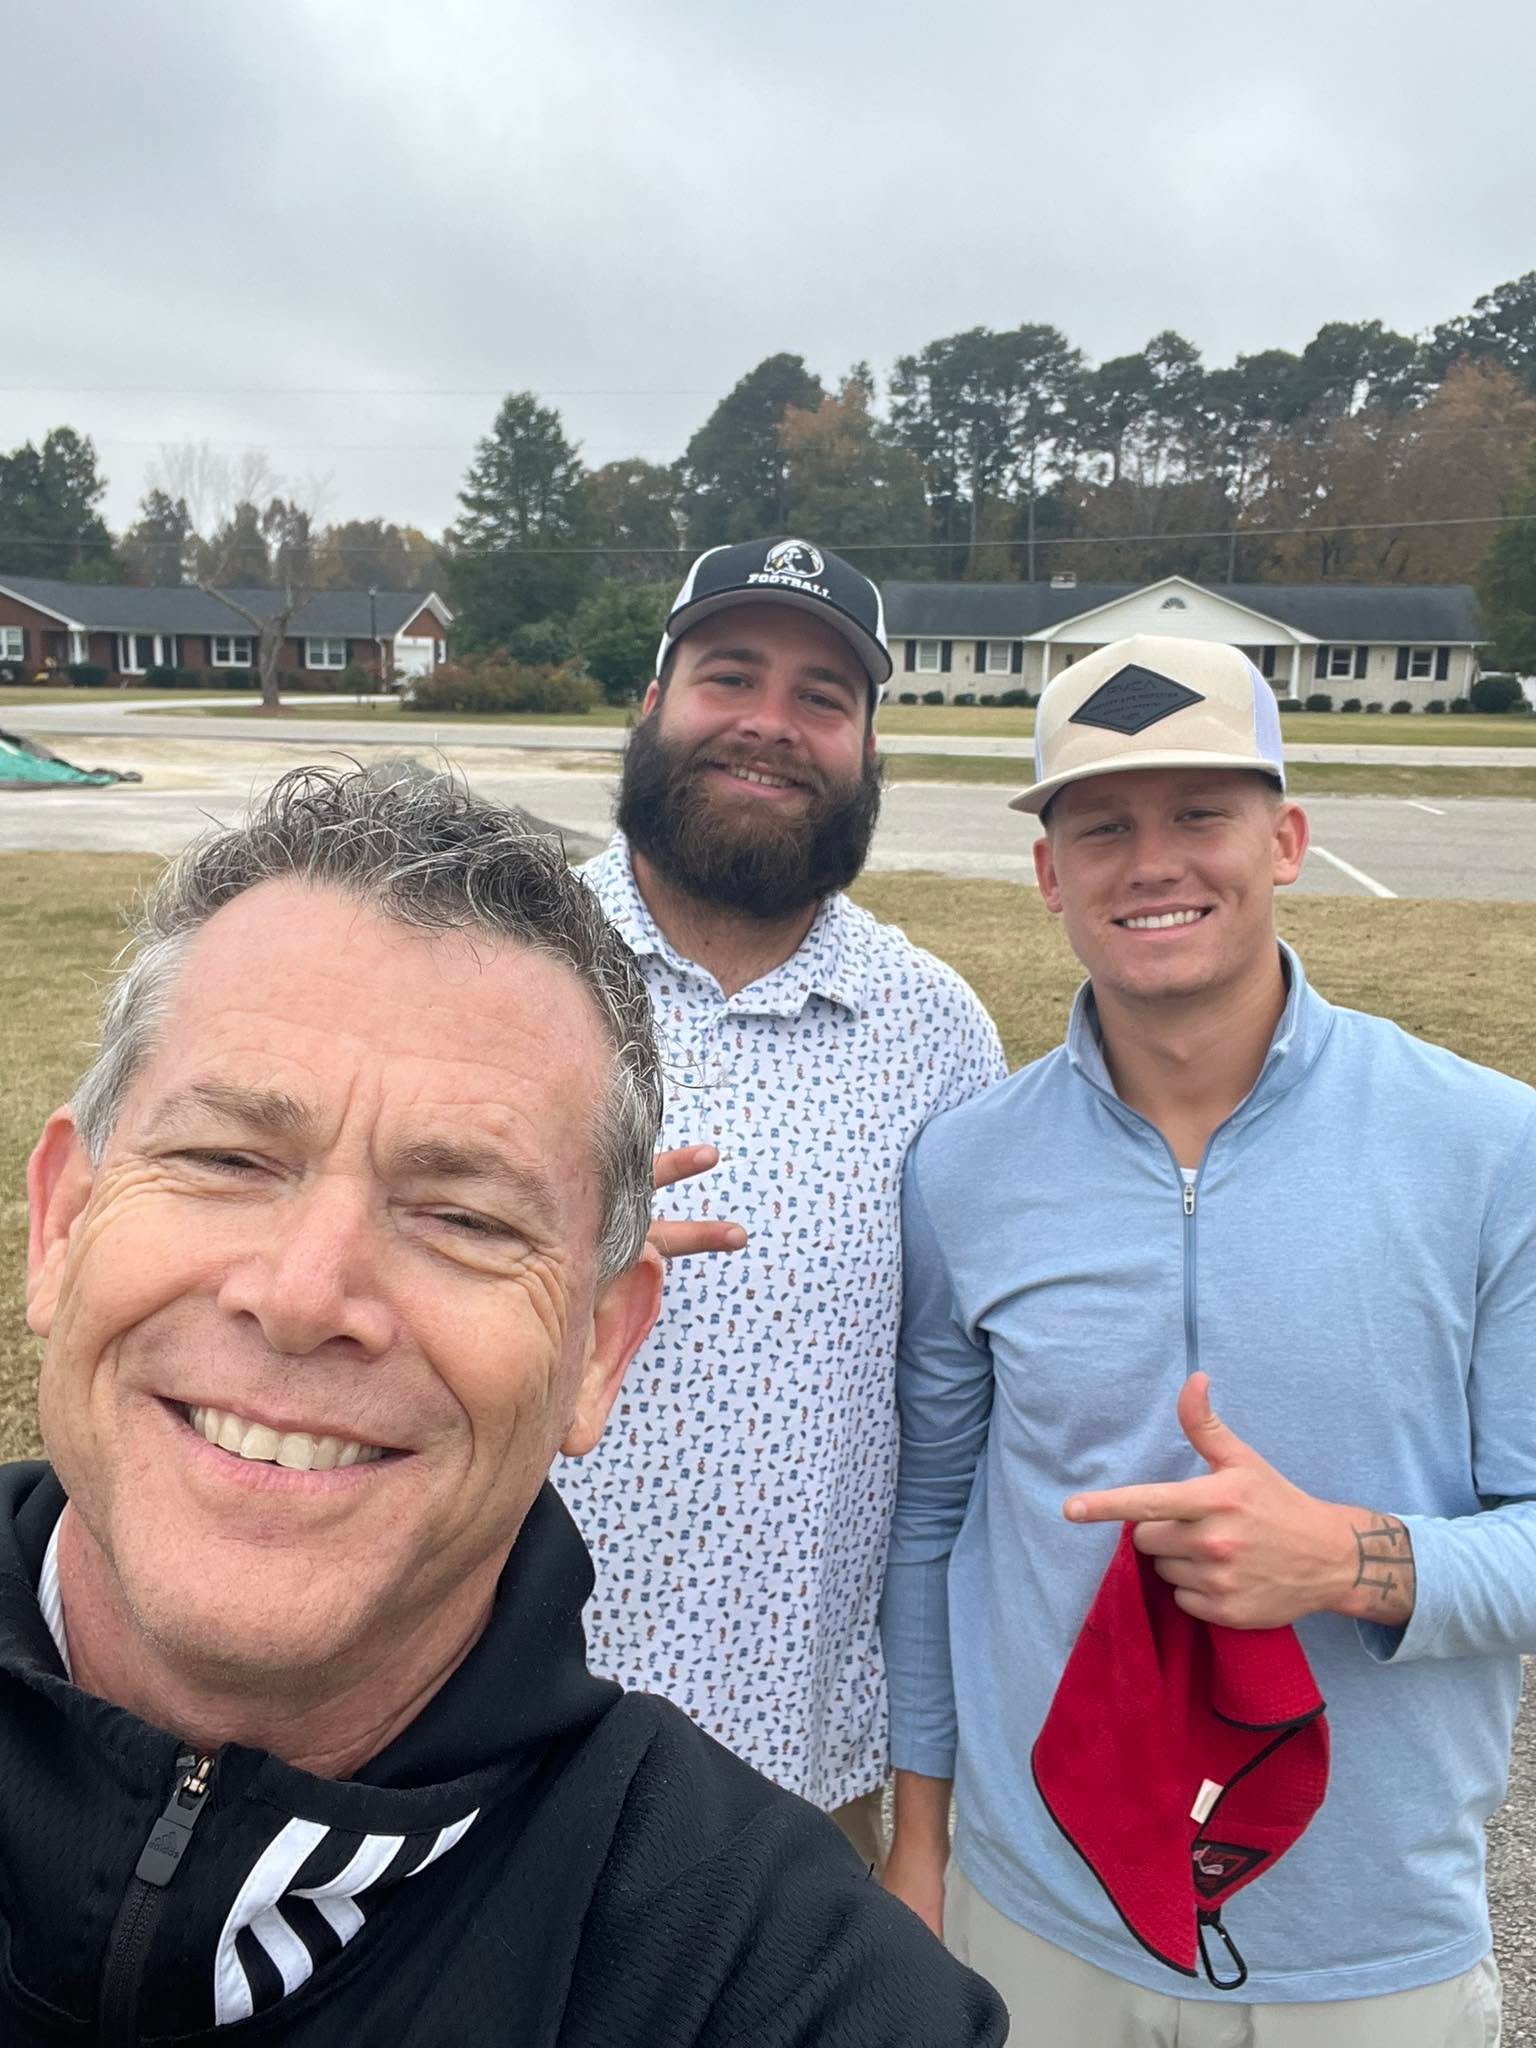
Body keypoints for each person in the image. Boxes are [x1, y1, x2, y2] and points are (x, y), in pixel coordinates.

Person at [12, 763, 1007, 2045]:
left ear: (600, 1347)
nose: (305, 1293)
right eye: (225, 1156)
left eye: (467, 1216)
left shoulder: (781, 1981)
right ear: (62, 1218)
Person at [880, 635, 1533, 2045]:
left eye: (1201, 817)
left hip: (1368, 1957)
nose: (1151, 861)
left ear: (1286, 840)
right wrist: (921, 1848)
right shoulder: (963, 1169)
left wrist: (1351, 1562)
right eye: (1102, 826)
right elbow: (935, 1521)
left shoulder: (1490, 1147)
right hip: (1038, 1915)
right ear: (1050, 876)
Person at [559, 538, 1006, 1866]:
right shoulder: (500, 963)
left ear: (872, 750)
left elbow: (957, 1437)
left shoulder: (937, 1034)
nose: (769, 723)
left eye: (823, 696)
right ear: (653, 707)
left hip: (808, 1768)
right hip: (493, 1735)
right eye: (729, 676)